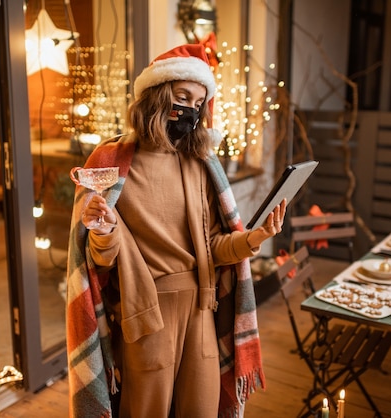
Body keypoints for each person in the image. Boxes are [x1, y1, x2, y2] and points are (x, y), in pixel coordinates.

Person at [66, 43, 287, 418]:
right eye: (183, 96)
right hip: (146, 314)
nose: (191, 109)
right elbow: (98, 260)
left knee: (202, 410)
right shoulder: (111, 162)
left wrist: (256, 237)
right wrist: (103, 230)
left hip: (203, 308)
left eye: (199, 102)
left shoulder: (199, 163)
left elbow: (215, 245)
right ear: (156, 96)